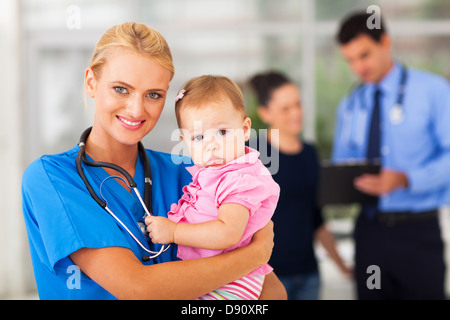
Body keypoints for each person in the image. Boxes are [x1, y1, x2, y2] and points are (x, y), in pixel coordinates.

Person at [21, 22, 286, 300]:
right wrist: (255, 255)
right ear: (91, 82)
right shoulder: (52, 178)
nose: (136, 109)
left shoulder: (193, 174)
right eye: (121, 89)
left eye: (153, 95)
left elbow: (272, 291)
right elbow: (137, 288)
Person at [332, 11, 450, 299]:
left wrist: (406, 179)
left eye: (364, 55)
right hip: (369, 232)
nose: (358, 67)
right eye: (350, 60)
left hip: (418, 233)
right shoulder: (350, 104)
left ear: (385, 42)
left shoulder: (433, 91)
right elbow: (341, 161)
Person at [145, 75, 281, 300]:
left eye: (222, 132)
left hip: (235, 282)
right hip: (220, 277)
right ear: (184, 141)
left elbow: (228, 232)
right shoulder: (215, 174)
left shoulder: (237, 178)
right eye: (198, 137)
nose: (211, 145)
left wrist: (174, 231)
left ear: (245, 129)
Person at [248, 71, 352, 300]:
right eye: (286, 108)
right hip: (265, 277)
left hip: (308, 275)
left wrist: (342, 265)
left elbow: (316, 217)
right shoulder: (251, 153)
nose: (296, 113)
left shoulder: (310, 153)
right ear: (265, 113)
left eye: (298, 104)